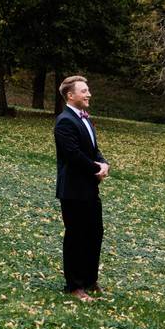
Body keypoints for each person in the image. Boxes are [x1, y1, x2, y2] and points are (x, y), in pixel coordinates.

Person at [54, 75, 110, 301]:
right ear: (70, 95)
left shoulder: (85, 118)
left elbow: (93, 149)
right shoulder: (64, 121)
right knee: (76, 237)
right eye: (84, 91)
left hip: (89, 188)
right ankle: (74, 286)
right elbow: (74, 155)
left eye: (88, 90)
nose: (89, 94)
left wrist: (103, 163)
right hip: (73, 190)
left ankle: (90, 279)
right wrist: (95, 169)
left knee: (95, 234)